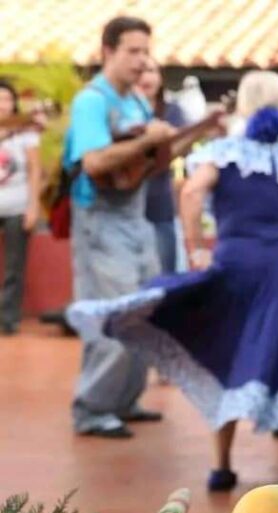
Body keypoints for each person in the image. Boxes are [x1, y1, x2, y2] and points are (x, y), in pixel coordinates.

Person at [66, 71, 278, 491]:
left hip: (238, 267)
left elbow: (192, 193)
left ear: (243, 109)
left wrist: (197, 249)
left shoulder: (222, 153)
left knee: (232, 358)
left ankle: (222, 466)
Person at [64, 17, 179, 438]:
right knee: (110, 316)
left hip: (137, 216)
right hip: (100, 220)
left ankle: (125, 400)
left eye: (145, 51)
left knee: (145, 315)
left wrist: (175, 140)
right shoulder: (92, 101)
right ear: (107, 52)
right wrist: (149, 140)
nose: (141, 60)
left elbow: (149, 162)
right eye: (132, 51)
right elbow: (95, 162)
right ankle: (92, 408)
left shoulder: (138, 101)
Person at [136, 57, 186, 275]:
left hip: (160, 205)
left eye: (152, 71)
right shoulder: (119, 111)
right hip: (123, 206)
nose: (146, 77)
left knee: (166, 273)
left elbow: (181, 147)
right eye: (141, 71)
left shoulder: (172, 111)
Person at [0, 80, 42, 335]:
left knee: (15, 265)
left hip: (17, 205)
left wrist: (33, 206)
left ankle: (8, 318)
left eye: (7, 99)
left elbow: (35, 169)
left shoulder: (26, 131)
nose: (3, 105)